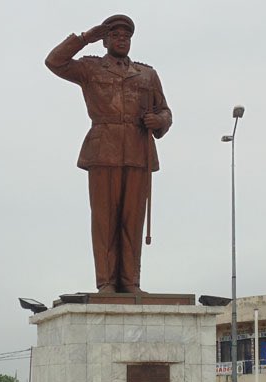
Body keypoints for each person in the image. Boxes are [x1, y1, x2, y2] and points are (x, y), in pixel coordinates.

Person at [46, 14, 172, 294]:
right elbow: (54, 62)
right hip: (104, 149)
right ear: (104, 39)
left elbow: (165, 110)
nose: (121, 40)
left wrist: (160, 121)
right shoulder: (90, 68)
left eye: (126, 36)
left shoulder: (147, 75)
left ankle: (130, 283)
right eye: (114, 35)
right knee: (105, 219)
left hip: (139, 151)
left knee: (132, 220)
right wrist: (83, 39)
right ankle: (105, 283)